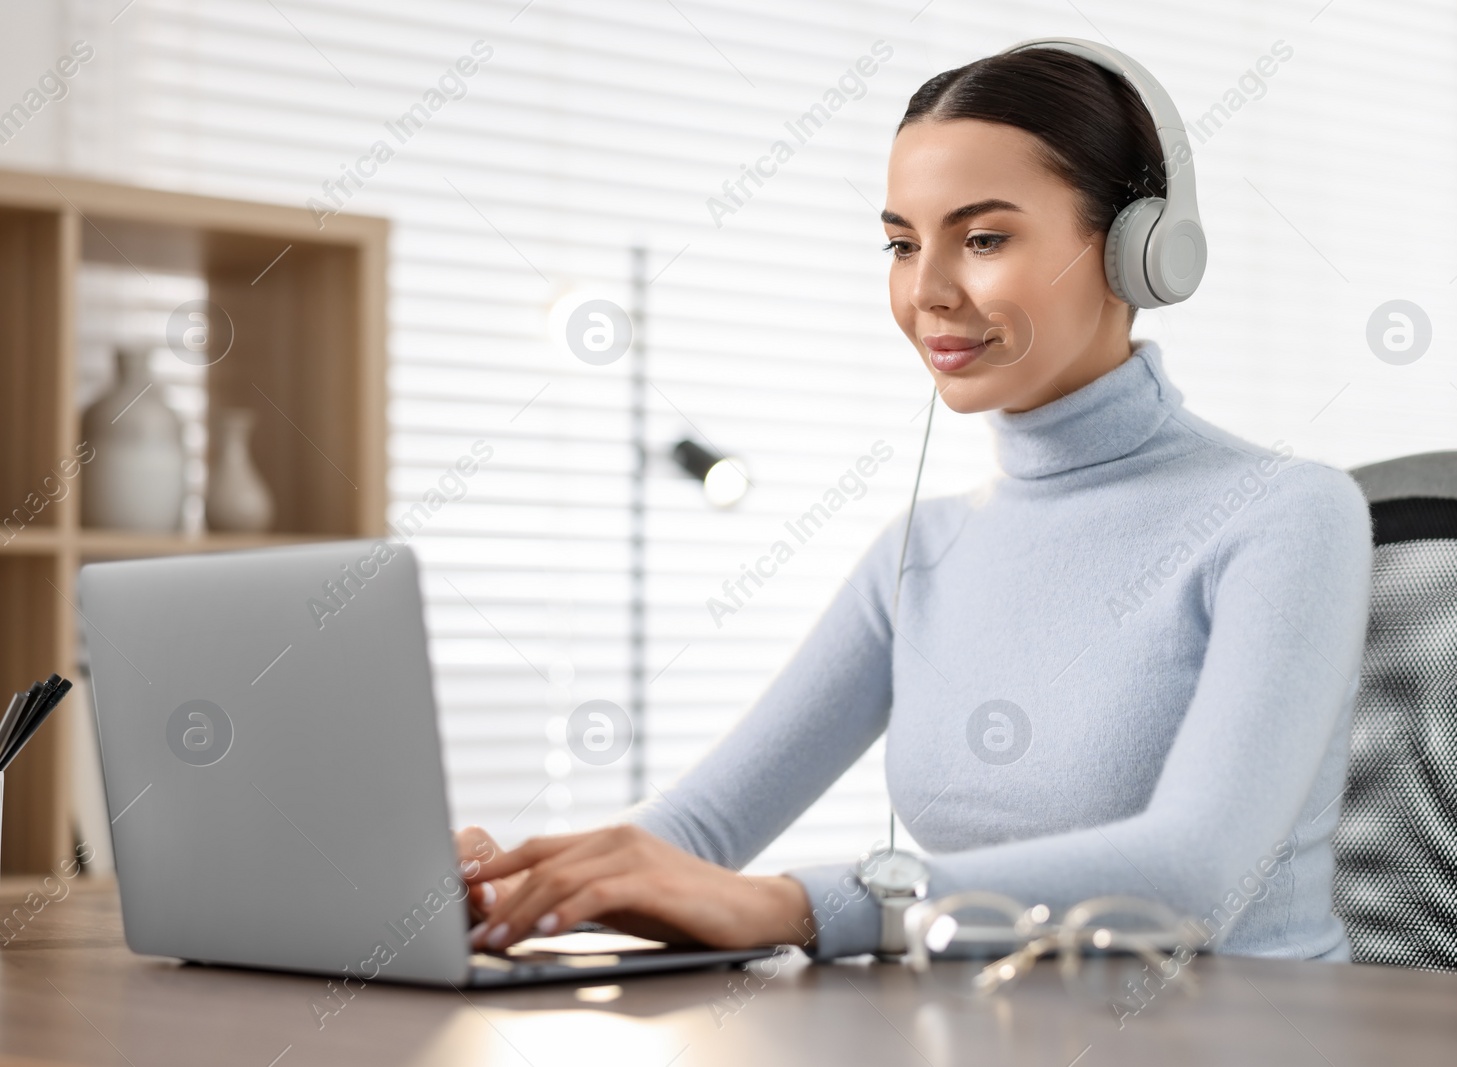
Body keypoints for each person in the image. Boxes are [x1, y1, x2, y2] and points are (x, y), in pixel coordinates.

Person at [458, 43, 1372, 962]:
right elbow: (699, 828)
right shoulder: (921, 549)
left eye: (982, 239)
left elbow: (1191, 876)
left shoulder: (1286, 514)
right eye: (902, 244)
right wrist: (520, 887)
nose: (926, 292)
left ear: (1140, 252)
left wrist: (800, 905)